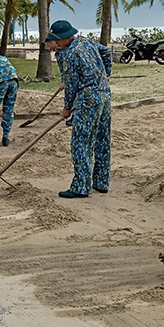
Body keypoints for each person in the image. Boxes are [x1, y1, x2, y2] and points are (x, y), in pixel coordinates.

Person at [48, 20, 112, 199]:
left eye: (57, 40)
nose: (56, 44)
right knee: (102, 138)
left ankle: (81, 186)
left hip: (88, 98)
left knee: (81, 142)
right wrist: (106, 74)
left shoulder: (70, 54)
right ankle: (101, 181)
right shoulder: (86, 41)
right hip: (104, 94)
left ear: (66, 38)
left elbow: (71, 84)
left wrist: (67, 107)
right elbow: (106, 52)